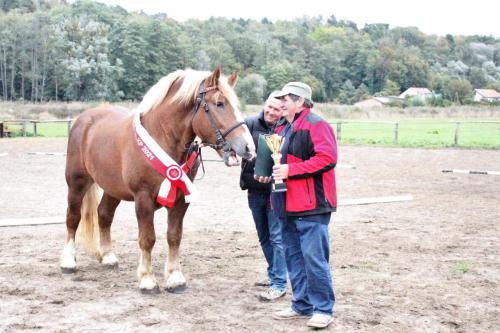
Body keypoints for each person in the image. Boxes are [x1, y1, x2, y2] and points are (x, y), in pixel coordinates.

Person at [257, 82, 337, 329]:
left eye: (285, 99)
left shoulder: (317, 124)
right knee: (293, 257)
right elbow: (278, 161)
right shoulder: (281, 127)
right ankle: (301, 304)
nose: (281, 103)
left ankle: (323, 309)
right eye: (280, 98)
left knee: (314, 259)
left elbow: (328, 158)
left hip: (312, 206)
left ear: (300, 101)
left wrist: (292, 170)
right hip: (284, 204)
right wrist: (266, 172)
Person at [240, 92, 288, 301]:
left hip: (276, 191)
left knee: (277, 237)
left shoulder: (286, 128)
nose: (270, 111)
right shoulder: (249, 123)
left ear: (283, 111)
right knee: (264, 237)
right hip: (253, 188)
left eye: (276, 109)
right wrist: (230, 157)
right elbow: (233, 144)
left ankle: (279, 283)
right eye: (268, 107)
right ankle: (274, 274)